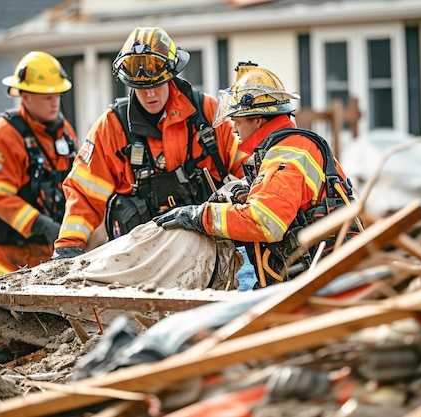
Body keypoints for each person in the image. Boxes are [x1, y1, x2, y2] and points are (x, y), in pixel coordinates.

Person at [155, 61, 361, 287]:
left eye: (238, 122)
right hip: (321, 275)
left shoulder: (287, 154)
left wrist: (201, 216)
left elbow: (266, 222)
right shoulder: (287, 148)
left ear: (257, 119)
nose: (233, 130)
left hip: (321, 284)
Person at [53, 26, 247, 259]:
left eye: (156, 84)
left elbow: (249, 170)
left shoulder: (208, 114)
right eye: (141, 87)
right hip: (141, 257)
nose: (150, 94)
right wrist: (67, 247)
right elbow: (84, 193)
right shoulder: (113, 127)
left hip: (213, 247)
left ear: (171, 75)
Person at [0, 51, 78, 278]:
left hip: (51, 257)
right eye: (47, 96)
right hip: (7, 262)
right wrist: (41, 225)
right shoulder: (2, 136)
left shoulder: (65, 133)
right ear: (25, 95)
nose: (54, 103)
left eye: (57, 95)